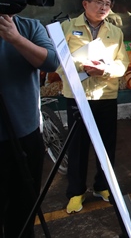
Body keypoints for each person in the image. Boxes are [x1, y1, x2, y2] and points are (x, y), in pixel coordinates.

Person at [60, 0, 129, 214]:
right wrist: (82, 69)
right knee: (77, 147)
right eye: (98, 2)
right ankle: (76, 192)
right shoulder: (67, 28)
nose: (103, 7)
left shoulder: (115, 32)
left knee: (107, 145)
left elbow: (123, 64)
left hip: (105, 95)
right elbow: (57, 63)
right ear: (85, 4)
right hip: (78, 96)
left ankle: (103, 186)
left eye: (107, 4)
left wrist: (105, 70)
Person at [0, 13, 60, 238]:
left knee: (24, 208)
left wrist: (15, 38)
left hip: (26, 133)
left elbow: (51, 61)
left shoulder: (29, 26)